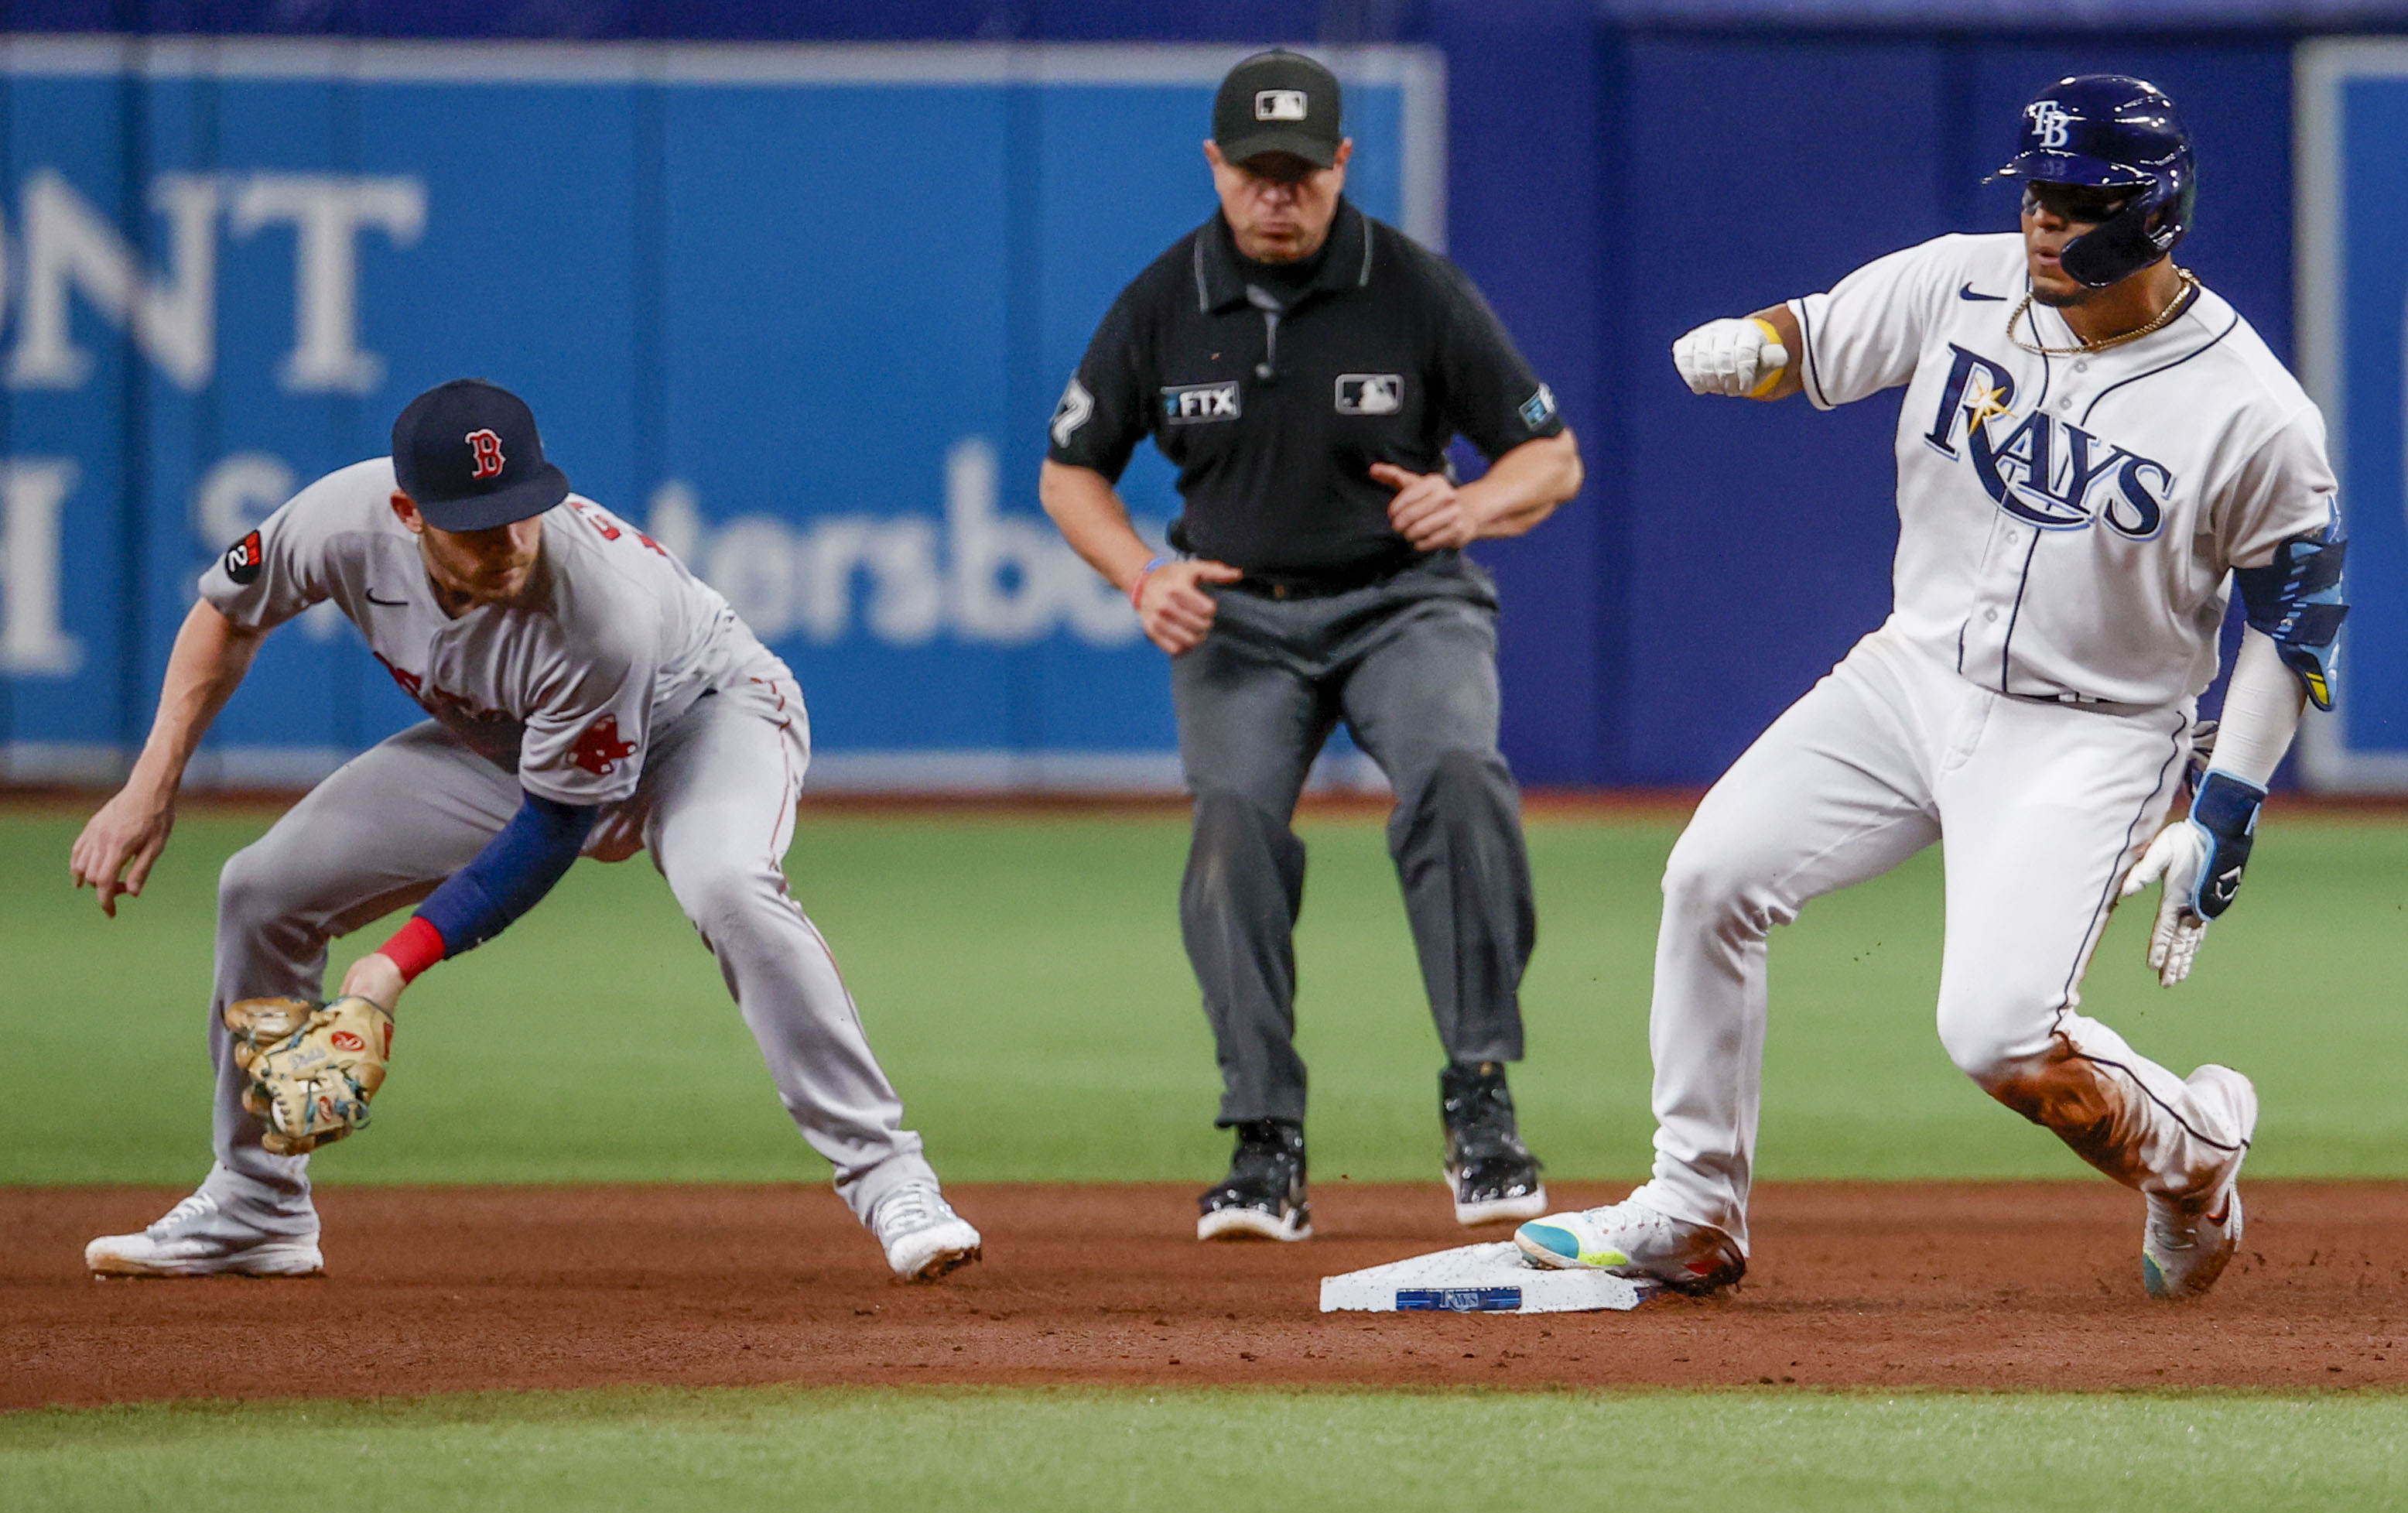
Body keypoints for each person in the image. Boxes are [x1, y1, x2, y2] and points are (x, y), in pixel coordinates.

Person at [1517, 75, 2347, 1299]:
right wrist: (1753, 347)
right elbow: (1811, 333)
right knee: (1711, 874)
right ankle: (1695, 1206)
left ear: (2155, 215)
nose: (2044, 225)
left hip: (2093, 732)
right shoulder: (1965, 278)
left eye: (2076, 202)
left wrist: (2227, 802)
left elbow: (2293, 619)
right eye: (2036, 196)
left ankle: (2196, 1152)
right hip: (1912, 675)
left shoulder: (2256, 412)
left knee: (2000, 1037)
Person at [74, 379, 983, 1282]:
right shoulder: (338, 524)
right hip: (515, 742)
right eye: (478, 522)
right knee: (261, 890)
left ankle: (892, 1181)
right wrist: (150, 786)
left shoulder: (598, 608)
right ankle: (256, 1204)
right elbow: (224, 617)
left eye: (524, 510)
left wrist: (390, 967)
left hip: (704, 718)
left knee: (727, 883)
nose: (512, 541)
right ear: (408, 512)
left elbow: (553, 829)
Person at [1041, 49, 1585, 1241]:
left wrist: (1475, 504)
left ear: (1341, 164)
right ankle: (1264, 1138)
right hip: (1239, 613)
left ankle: (1480, 1099)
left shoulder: (1415, 287)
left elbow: (1553, 455)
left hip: (1405, 599)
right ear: (1216, 168)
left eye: (1299, 171)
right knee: (1231, 823)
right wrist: (1141, 571)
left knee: (1456, 778)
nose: (1275, 194)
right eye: (1254, 171)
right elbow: (1070, 470)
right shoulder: (1163, 299)